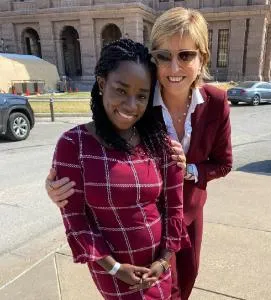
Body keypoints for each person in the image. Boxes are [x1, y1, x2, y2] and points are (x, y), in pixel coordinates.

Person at [46, 7, 232, 300]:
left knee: (186, 281)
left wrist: (191, 169)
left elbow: (224, 163)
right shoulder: (141, 103)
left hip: (187, 210)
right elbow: (99, 144)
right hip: (138, 222)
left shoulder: (215, 103)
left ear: (202, 58)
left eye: (185, 55)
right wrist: (56, 186)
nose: (174, 68)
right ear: (153, 58)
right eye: (163, 56)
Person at [51, 39, 190, 300]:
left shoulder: (159, 145)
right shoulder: (74, 144)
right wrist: (115, 267)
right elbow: (76, 221)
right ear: (102, 84)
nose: (131, 105)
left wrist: (162, 262)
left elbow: (174, 210)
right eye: (121, 90)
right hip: (111, 271)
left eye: (141, 96)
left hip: (157, 268)